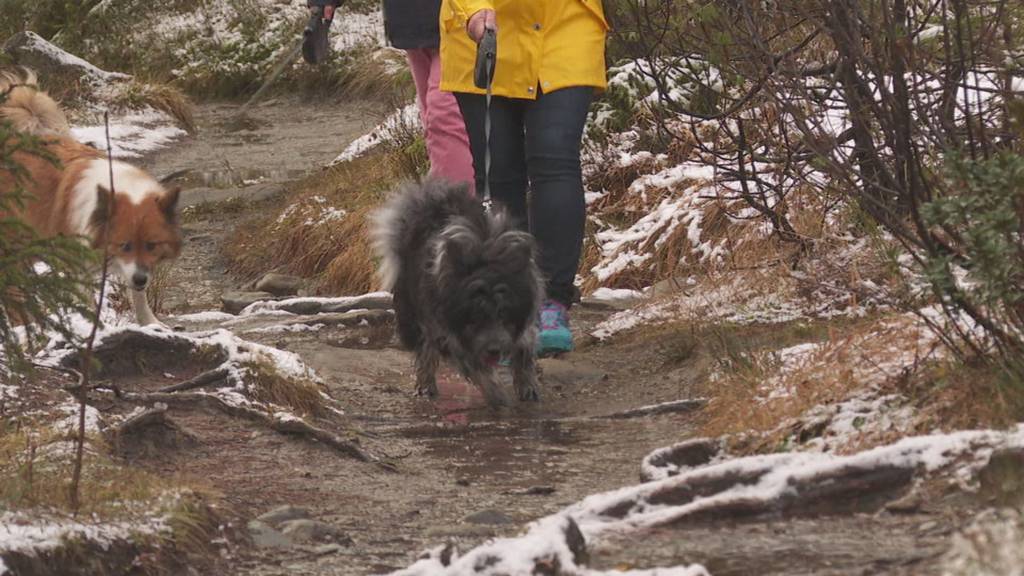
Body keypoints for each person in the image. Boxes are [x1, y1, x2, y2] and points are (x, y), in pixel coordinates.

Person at [438, 1, 609, 355]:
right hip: (481, 33)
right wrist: (472, 11)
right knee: (499, 173)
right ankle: (504, 308)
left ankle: (552, 302)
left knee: (555, 158)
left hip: (564, 27)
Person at [382, 0, 475, 190]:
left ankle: (456, 208)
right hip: (411, 22)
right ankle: (451, 203)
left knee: (444, 115)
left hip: (461, 19)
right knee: (431, 120)